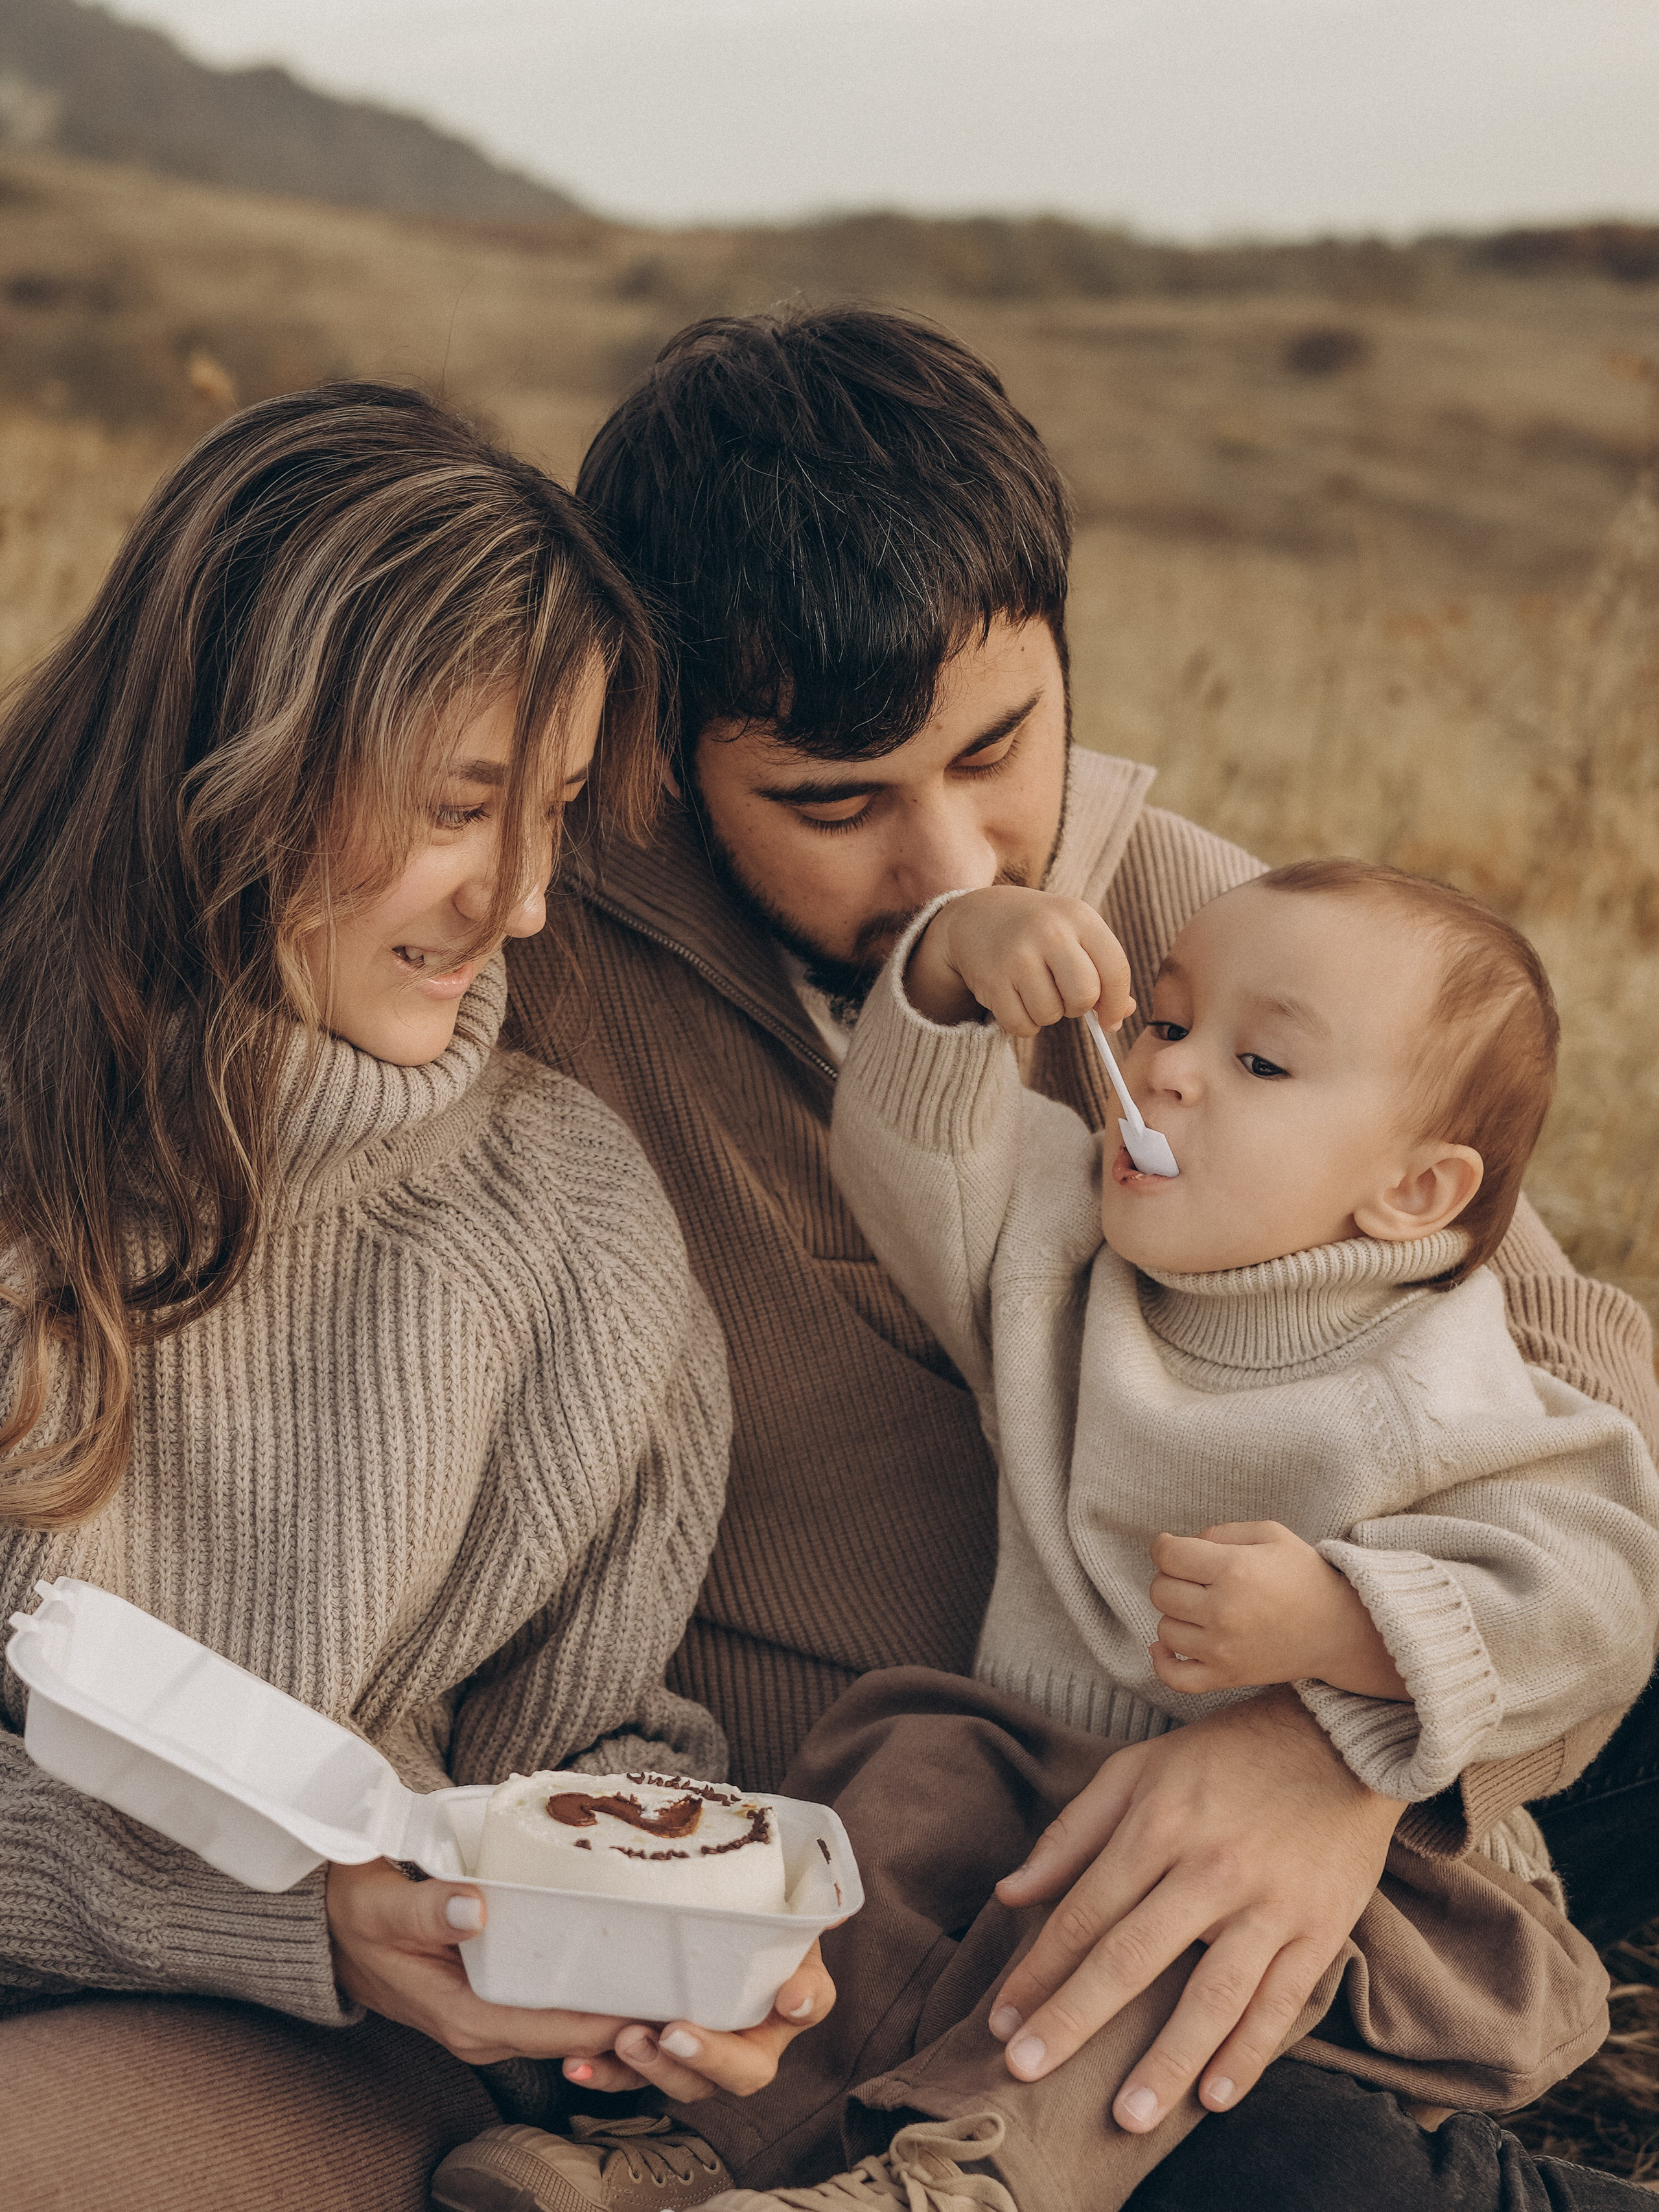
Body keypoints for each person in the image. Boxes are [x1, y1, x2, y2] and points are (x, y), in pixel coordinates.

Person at [478, 308, 1659, 2210]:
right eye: (831, 803)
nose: (950, 860)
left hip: (1312, 1714)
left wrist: (1333, 1738)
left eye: (1001, 748)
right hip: (933, 1826)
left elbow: (1571, 1366)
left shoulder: (1195, 921)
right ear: (661, 746)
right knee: (1246, 2162)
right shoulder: (539, 971)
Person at [0, 382, 829, 2209]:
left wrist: (663, 1936)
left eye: (550, 817)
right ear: (244, 748)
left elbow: (576, 1746)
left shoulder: (572, 1225)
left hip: (284, 2052)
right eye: (462, 809)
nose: (524, 906)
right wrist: (245, 1895)